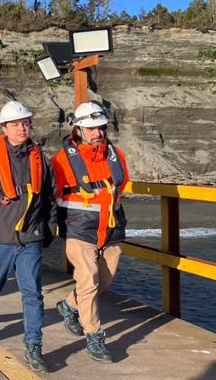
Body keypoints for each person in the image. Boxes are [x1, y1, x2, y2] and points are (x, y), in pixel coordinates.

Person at [0, 100, 57, 372]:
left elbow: (50, 196)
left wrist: (49, 228)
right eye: (16, 124)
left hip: (30, 236)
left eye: (26, 123)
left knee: (32, 292)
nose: (22, 128)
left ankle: (33, 346)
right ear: (4, 128)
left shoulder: (40, 158)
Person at [51, 101, 129, 363]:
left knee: (103, 282)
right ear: (78, 129)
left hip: (111, 229)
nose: (98, 133)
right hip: (79, 229)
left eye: (101, 128)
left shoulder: (116, 155)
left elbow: (122, 186)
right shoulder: (62, 160)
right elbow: (50, 195)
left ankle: (69, 305)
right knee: (89, 280)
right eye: (91, 128)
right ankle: (94, 336)